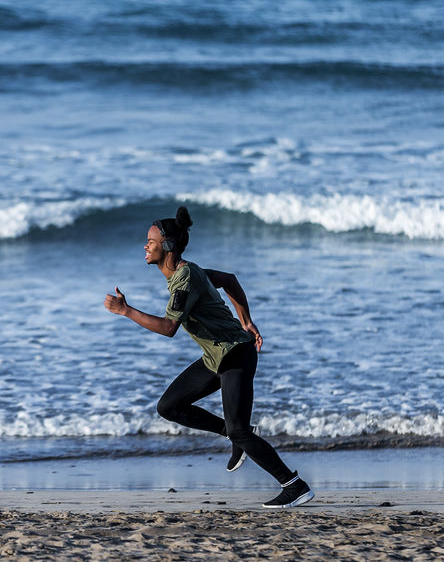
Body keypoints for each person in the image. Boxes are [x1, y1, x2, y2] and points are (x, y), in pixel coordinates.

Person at [104, 206, 314, 509]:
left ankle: (294, 486)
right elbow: (228, 279)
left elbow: (168, 328)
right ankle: (234, 435)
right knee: (170, 406)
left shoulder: (185, 277)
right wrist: (246, 320)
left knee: (239, 429)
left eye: (150, 241)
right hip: (216, 356)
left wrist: (126, 311)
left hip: (235, 355)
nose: (145, 246)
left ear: (167, 245)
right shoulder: (188, 272)